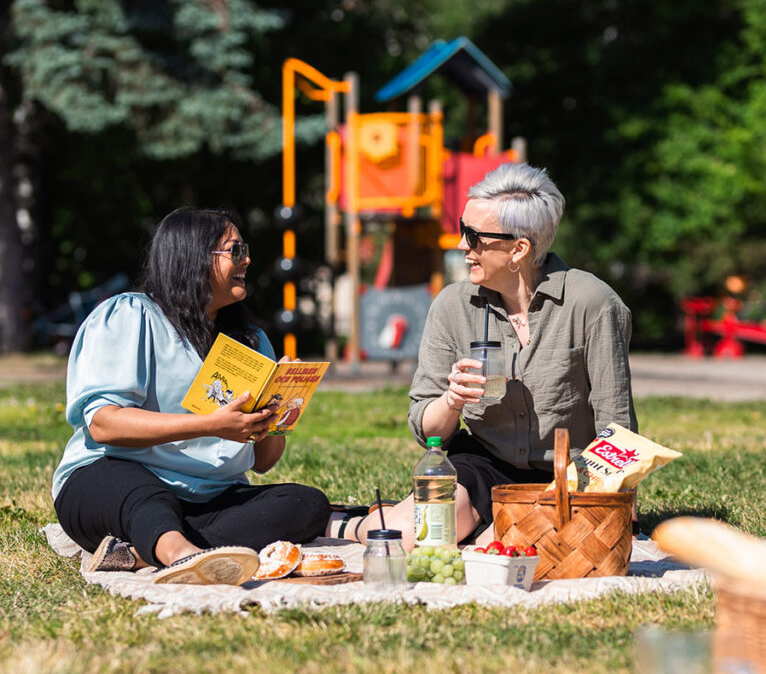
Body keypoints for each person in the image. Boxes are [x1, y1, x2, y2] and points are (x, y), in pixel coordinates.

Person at [333, 162, 637, 549]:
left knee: (511, 546)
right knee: (408, 536)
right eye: (464, 231)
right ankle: (348, 525)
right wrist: (452, 399)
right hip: (484, 465)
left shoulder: (593, 303)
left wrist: (620, 507)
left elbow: (616, 425)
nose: (463, 246)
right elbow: (426, 429)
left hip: (569, 473)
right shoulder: (452, 306)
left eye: (474, 236)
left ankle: (476, 527)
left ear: (518, 249)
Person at [51, 208, 330, 585]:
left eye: (245, 250)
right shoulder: (132, 315)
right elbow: (104, 424)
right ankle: (180, 555)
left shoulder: (251, 341)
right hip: (113, 481)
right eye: (235, 250)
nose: (247, 260)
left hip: (207, 498)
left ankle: (137, 554)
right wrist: (211, 425)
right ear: (192, 256)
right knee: (146, 495)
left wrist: (275, 415)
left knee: (305, 504)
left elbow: (264, 463)